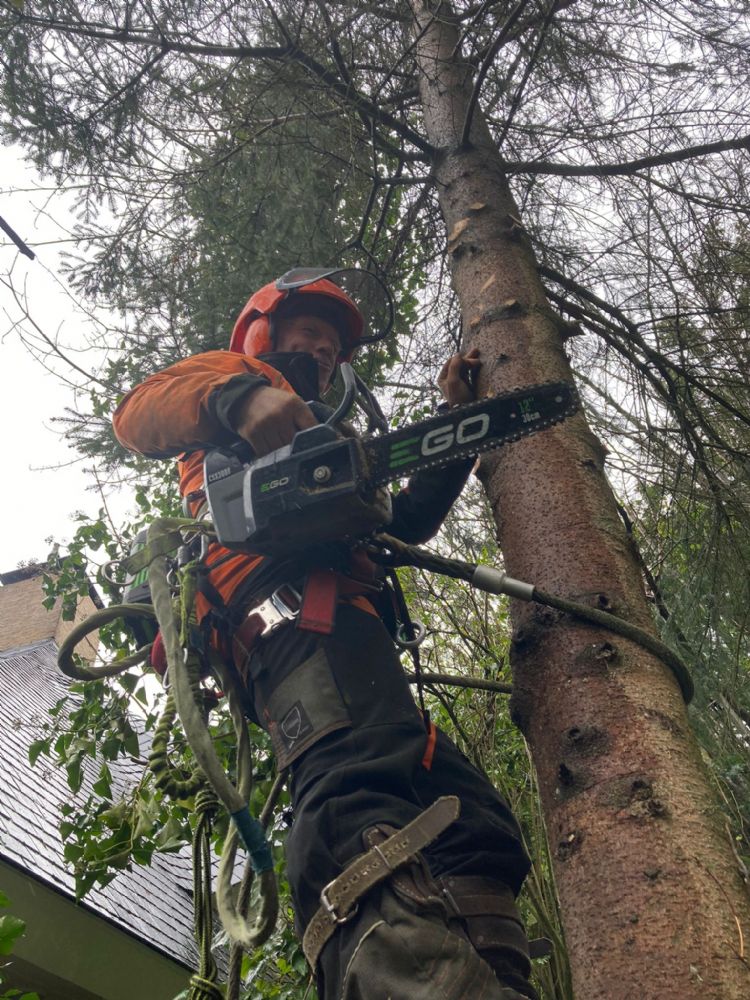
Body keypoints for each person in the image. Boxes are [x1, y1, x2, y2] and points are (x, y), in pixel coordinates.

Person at [113, 273, 537, 1000]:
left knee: (471, 819)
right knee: (350, 798)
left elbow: (404, 521)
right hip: (287, 628)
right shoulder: (229, 376)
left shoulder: (330, 431)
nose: (322, 350)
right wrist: (239, 399)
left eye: (333, 346)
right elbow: (135, 414)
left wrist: (457, 420)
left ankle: (492, 979)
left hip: (353, 639)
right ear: (265, 332)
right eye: (309, 332)